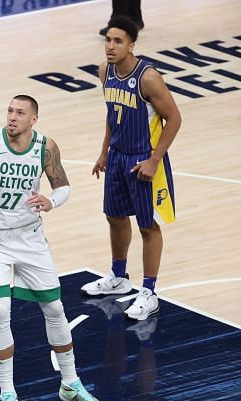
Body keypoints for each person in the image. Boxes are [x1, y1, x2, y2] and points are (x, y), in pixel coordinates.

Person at [0, 94, 107, 401]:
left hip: (30, 240)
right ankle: (8, 395)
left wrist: (52, 201)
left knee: (54, 311)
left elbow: (63, 185)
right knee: (0, 310)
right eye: (9, 110)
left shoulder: (45, 147)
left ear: (34, 119)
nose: (12, 117)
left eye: (20, 113)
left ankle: (71, 384)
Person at [81, 16, 181, 321]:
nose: (110, 47)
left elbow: (174, 119)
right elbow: (113, 114)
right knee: (114, 217)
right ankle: (118, 277)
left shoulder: (148, 77)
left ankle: (149, 292)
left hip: (143, 159)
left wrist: (154, 160)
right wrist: (103, 152)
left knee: (148, 226)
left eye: (118, 41)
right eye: (108, 40)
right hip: (117, 156)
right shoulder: (105, 72)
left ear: (131, 45)